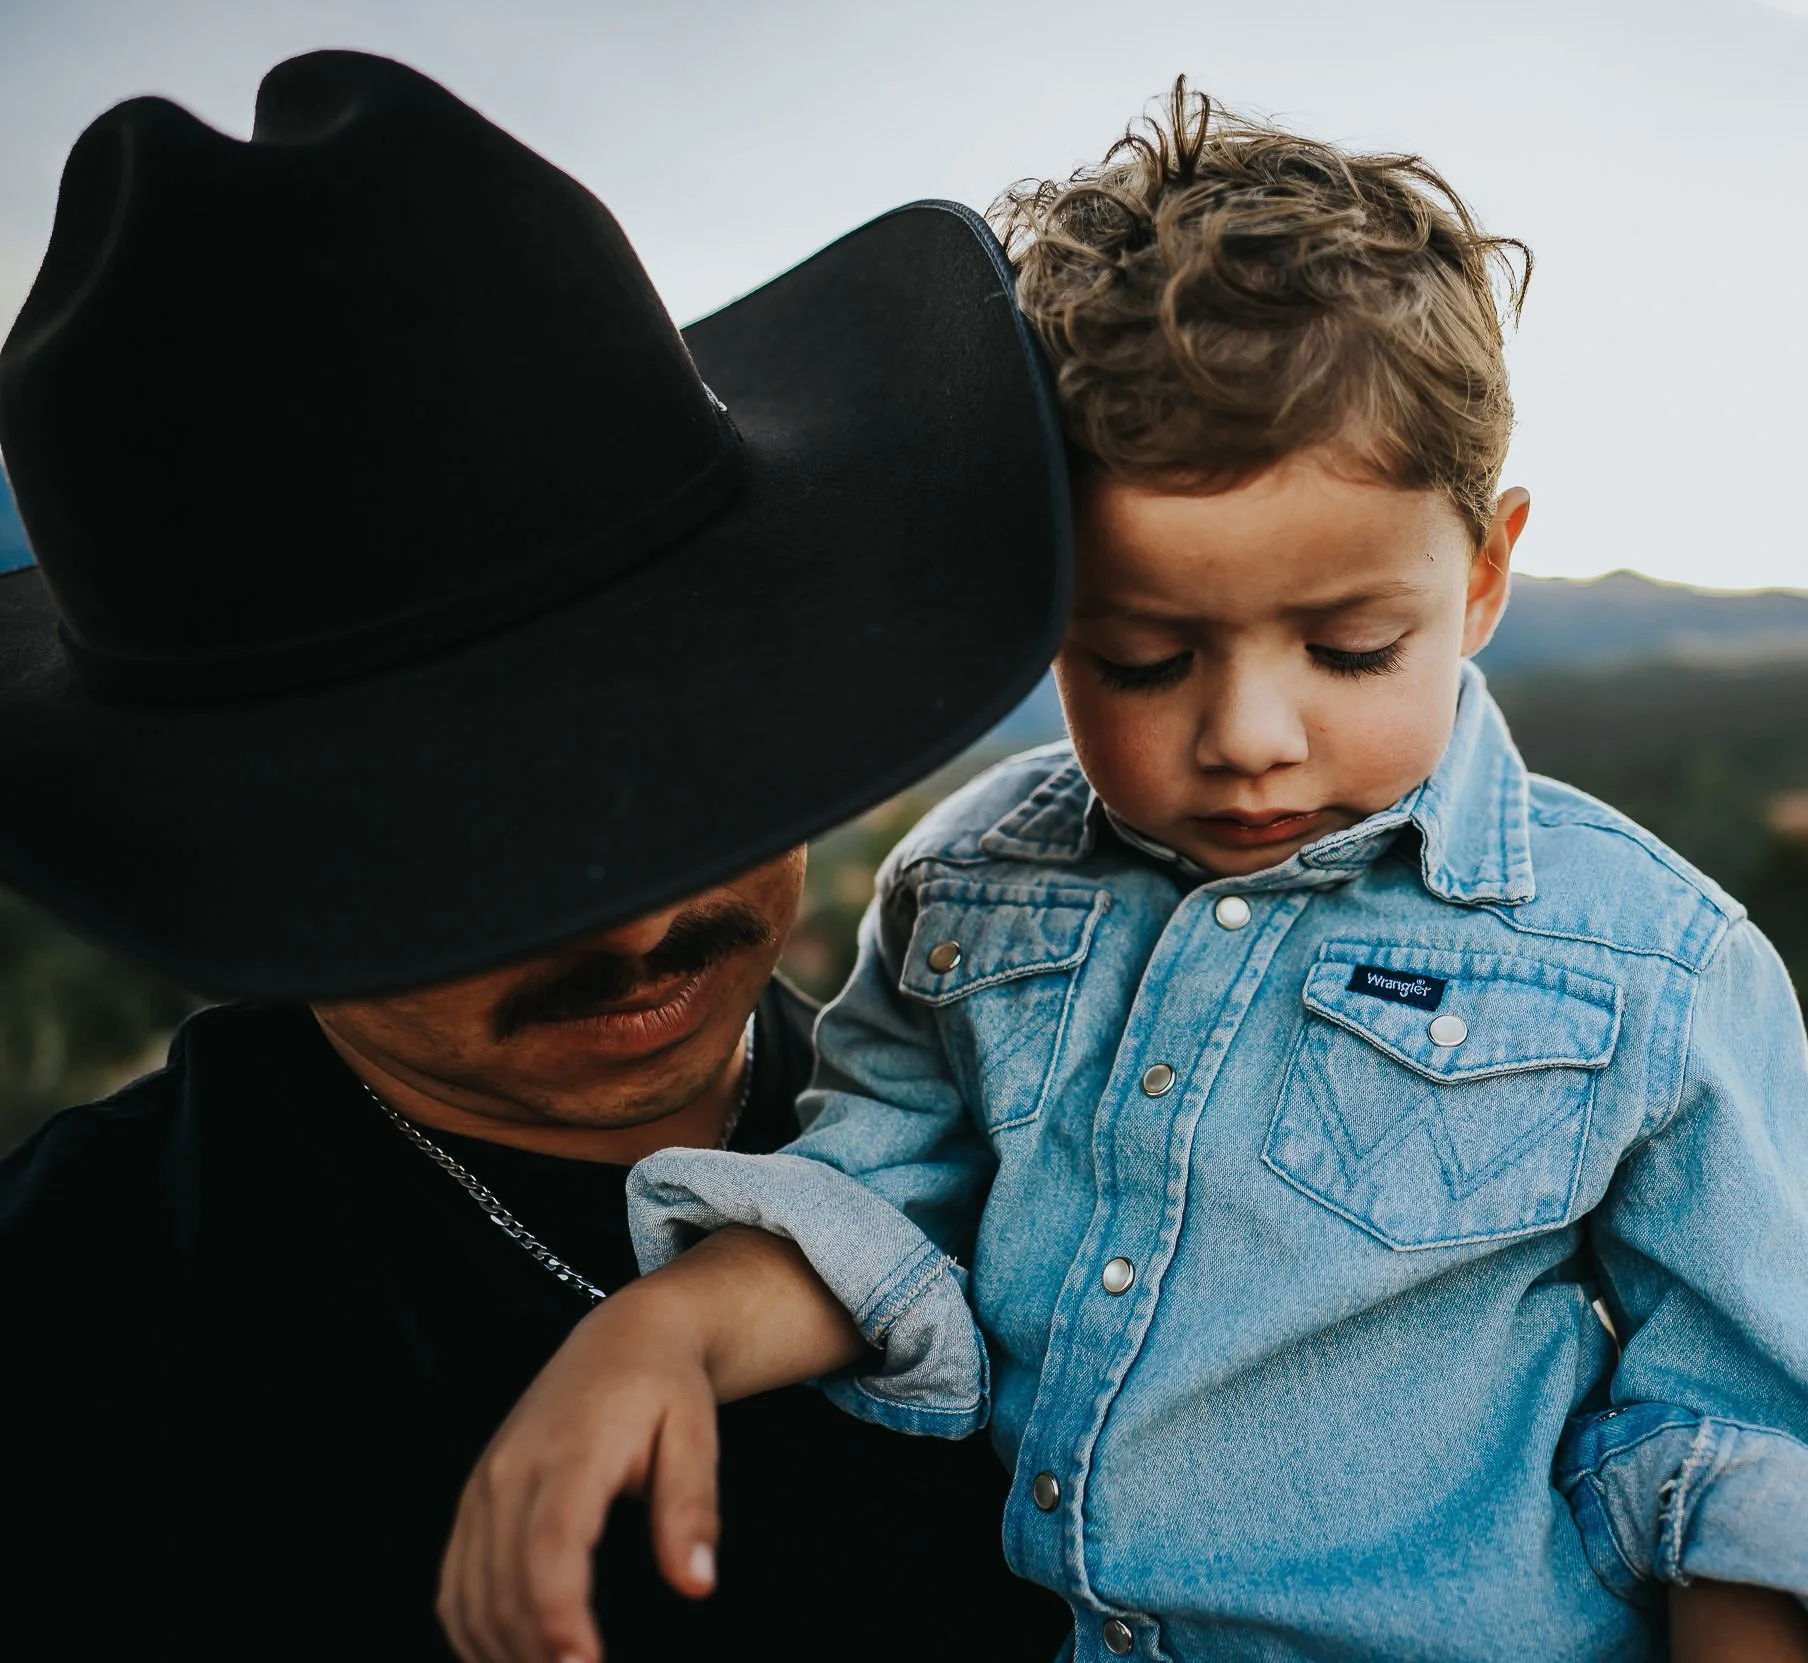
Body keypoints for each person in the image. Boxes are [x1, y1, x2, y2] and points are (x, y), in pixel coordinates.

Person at [444, 85, 1808, 1663]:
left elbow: (1750, 1448)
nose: (1247, 737)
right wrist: (663, 1332)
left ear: (1487, 573)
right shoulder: (967, 881)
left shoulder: (1652, 962)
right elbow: (876, 1202)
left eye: (1352, 648)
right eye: (1145, 657)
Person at [0, 51, 1070, 1658]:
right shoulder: (70, 1341)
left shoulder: (1056, 1135)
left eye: (690, 750)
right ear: (231, 842)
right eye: (477, 836)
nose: (637, 906)